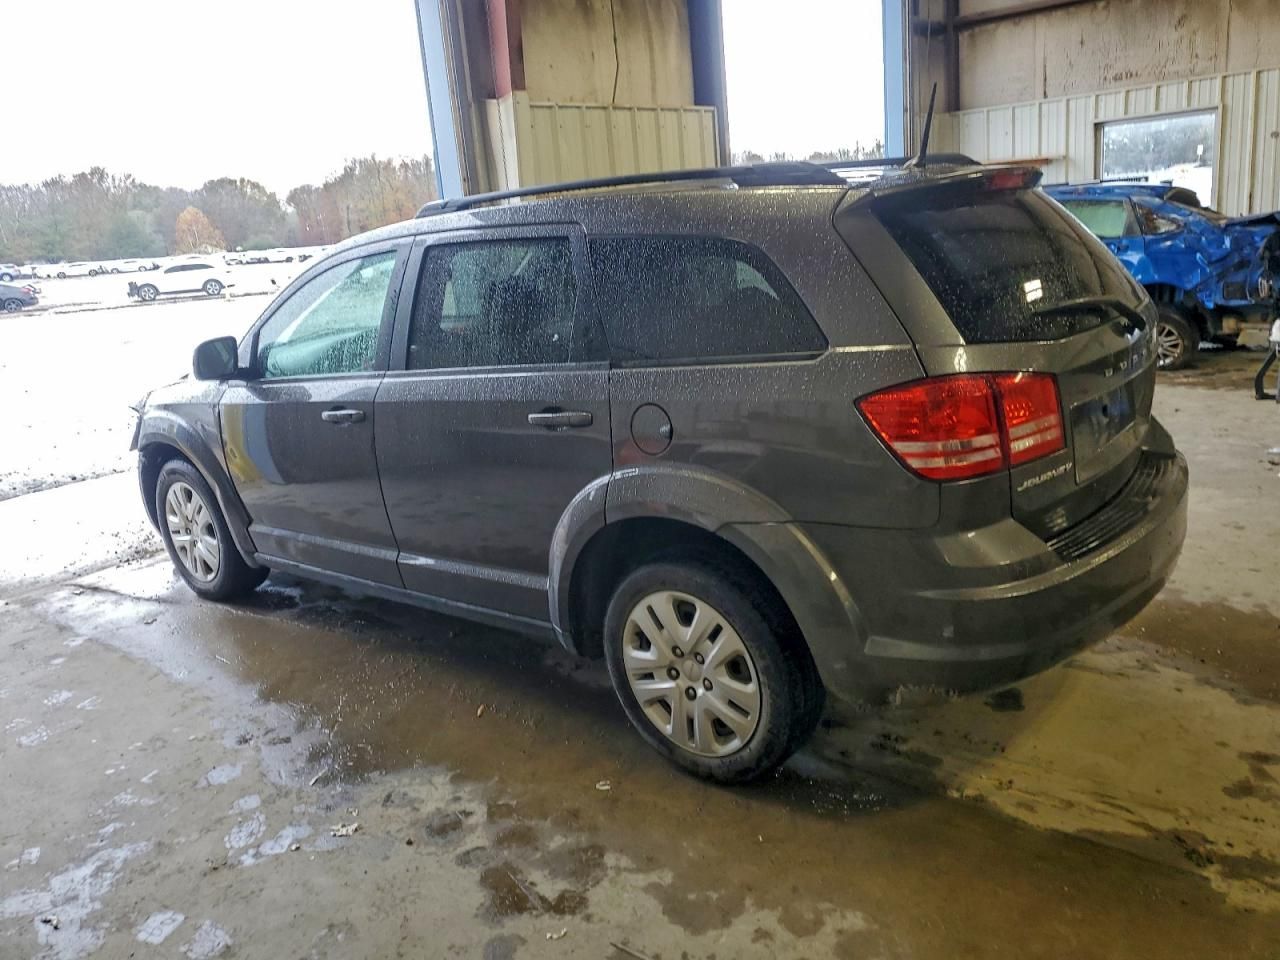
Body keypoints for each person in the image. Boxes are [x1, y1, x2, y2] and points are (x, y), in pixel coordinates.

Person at [1255, 316, 1280, 401]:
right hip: (1277, 341)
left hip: (1274, 341)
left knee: (1265, 366)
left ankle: (1259, 392)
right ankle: (1279, 396)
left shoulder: (1277, 320)